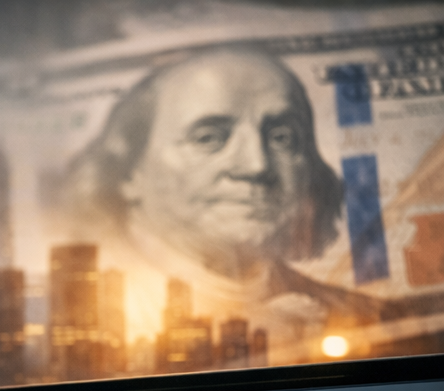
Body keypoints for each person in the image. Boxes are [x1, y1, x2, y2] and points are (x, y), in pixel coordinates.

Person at [59, 46, 406, 354]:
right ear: (129, 172)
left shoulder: (376, 321)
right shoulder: (77, 333)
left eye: (283, 138)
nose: (256, 165)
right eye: (209, 137)